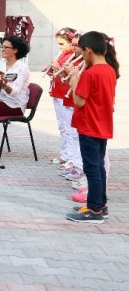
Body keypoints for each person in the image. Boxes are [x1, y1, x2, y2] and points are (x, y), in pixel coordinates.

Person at [65, 32, 119, 224]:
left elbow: (79, 101)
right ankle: (100, 204)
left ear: (88, 50)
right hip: (101, 123)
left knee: (92, 168)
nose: (80, 55)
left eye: (81, 52)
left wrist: (73, 79)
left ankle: (94, 209)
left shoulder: (90, 73)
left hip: (89, 124)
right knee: (98, 168)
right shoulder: (109, 70)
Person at [46, 28, 82, 175]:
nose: (60, 48)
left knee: (70, 129)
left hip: (66, 95)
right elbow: (60, 75)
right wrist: (52, 71)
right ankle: (66, 154)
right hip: (59, 93)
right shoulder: (66, 55)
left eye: (62, 44)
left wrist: (59, 69)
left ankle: (72, 158)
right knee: (63, 126)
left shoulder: (74, 56)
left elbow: (71, 79)